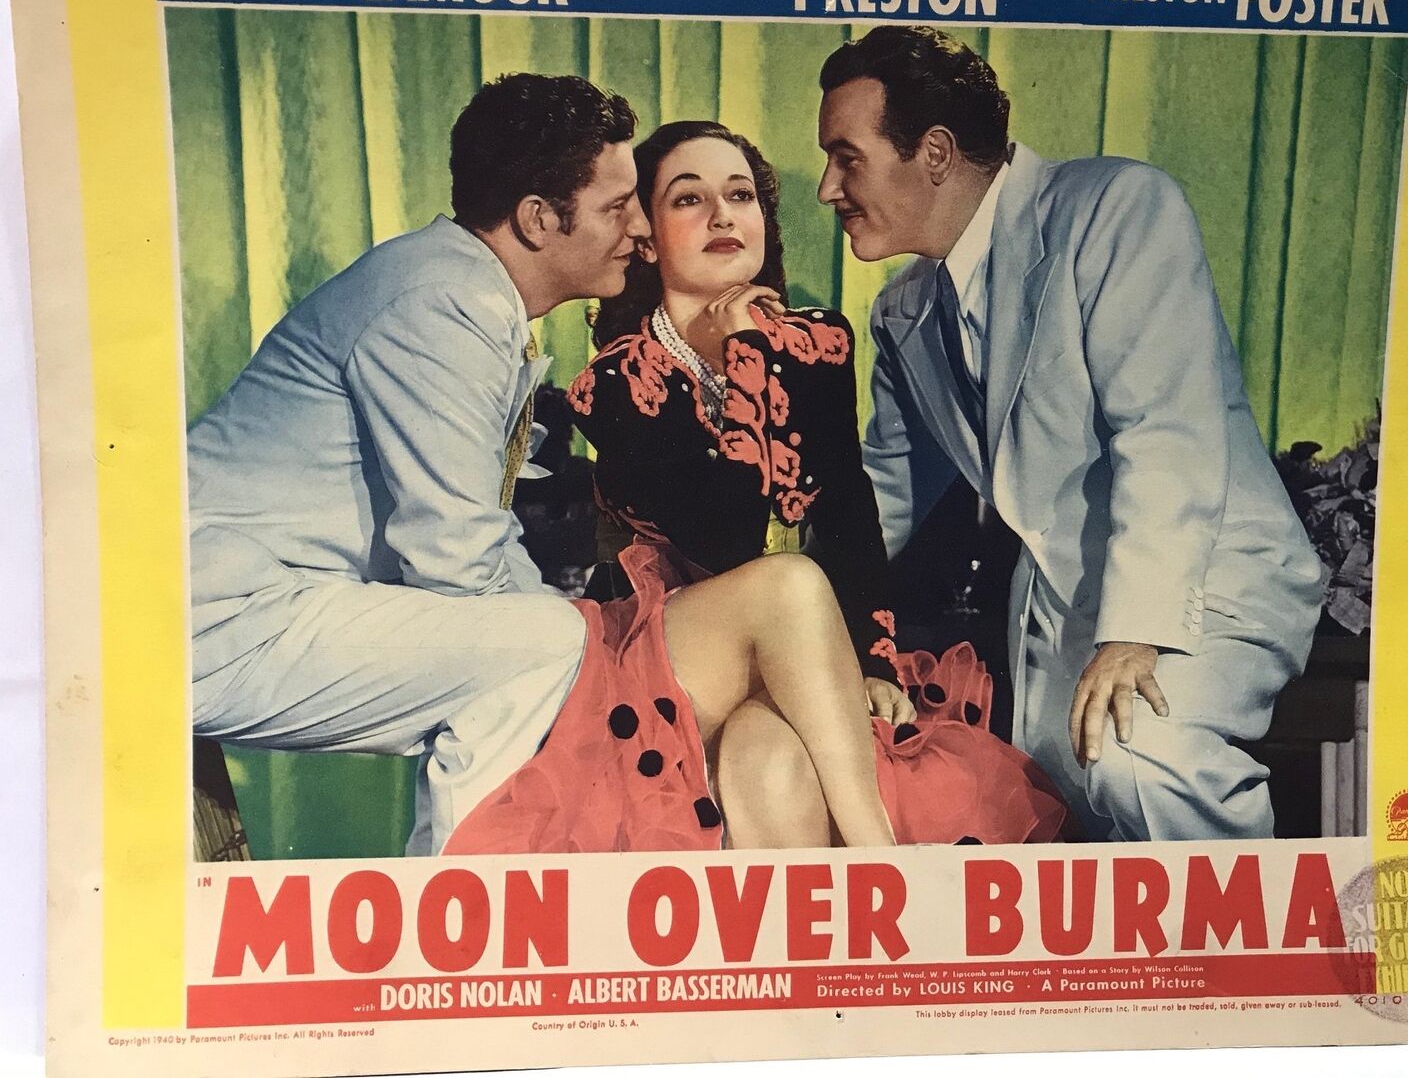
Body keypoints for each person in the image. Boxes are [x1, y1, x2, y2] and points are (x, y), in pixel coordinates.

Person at [189, 74, 890, 855]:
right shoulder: (442, 303)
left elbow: (485, 550)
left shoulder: (464, 292)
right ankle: (462, 899)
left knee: (578, 641)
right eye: (617, 207)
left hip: (282, 603)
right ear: (536, 219)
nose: (638, 229)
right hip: (225, 618)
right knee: (543, 646)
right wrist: (613, 663)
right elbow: (455, 563)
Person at [443, 121, 1065, 853]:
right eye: (688, 199)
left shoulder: (818, 343)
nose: (722, 215)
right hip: (666, 662)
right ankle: (886, 863)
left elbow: (847, 512)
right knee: (787, 582)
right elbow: (727, 533)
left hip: (796, 655)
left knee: (764, 761)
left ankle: (841, 919)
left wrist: (872, 659)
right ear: (647, 237)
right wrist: (742, 353)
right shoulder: (615, 381)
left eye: (740, 195)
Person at [816, 26, 1326, 841]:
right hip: (1056, 616)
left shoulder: (1116, 209)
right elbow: (884, 497)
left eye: (847, 158)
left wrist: (1134, 634)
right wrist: (775, 596)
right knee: (1051, 808)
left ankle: (1258, 923)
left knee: (1137, 760)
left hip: (1199, 585)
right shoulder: (903, 311)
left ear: (935, 152)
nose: (827, 189)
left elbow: (1166, 434)